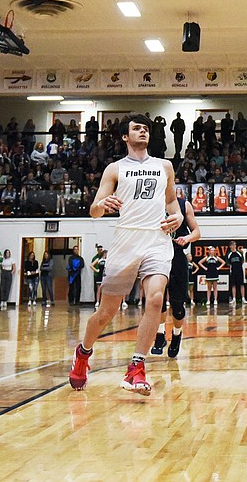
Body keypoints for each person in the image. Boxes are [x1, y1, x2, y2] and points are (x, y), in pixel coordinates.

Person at [68, 114, 182, 394]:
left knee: (155, 300)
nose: (143, 131)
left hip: (157, 238)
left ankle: (136, 368)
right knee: (107, 312)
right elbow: (94, 211)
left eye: (146, 128)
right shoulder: (115, 169)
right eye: (136, 128)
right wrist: (102, 204)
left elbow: (171, 201)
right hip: (126, 240)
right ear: (124, 137)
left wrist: (177, 216)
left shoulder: (164, 166)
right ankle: (83, 353)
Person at [151, 196, 200, 359]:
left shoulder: (183, 204)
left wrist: (186, 238)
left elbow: (197, 232)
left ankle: (177, 335)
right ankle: (159, 334)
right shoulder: (151, 201)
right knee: (157, 300)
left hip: (177, 255)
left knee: (177, 305)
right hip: (157, 255)